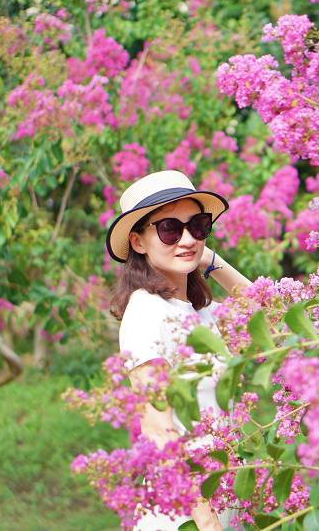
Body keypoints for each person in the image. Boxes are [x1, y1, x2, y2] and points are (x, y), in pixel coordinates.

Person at [105, 170, 252, 531]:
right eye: (170, 229)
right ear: (138, 242)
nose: (186, 238)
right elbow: (158, 428)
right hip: (186, 512)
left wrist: (209, 259)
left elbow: (272, 310)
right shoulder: (146, 311)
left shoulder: (196, 312)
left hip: (221, 497)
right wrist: (205, 520)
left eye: (198, 226)